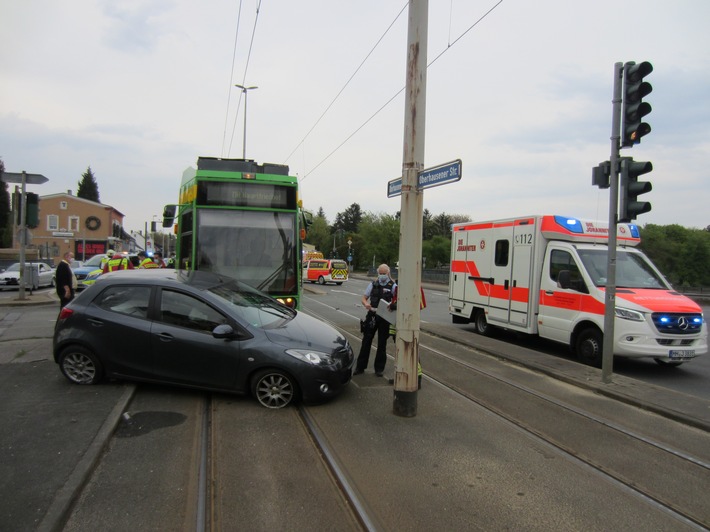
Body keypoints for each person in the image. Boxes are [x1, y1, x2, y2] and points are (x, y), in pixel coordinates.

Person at [354, 264, 396, 377]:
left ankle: (379, 369)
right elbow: (364, 297)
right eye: (380, 273)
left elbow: (397, 299)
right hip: (372, 314)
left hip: (385, 317)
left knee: (382, 343)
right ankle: (360, 367)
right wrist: (366, 304)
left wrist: (393, 305)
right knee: (366, 340)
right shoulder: (373, 284)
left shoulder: (393, 285)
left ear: (388, 273)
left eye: (384, 273)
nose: (382, 275)